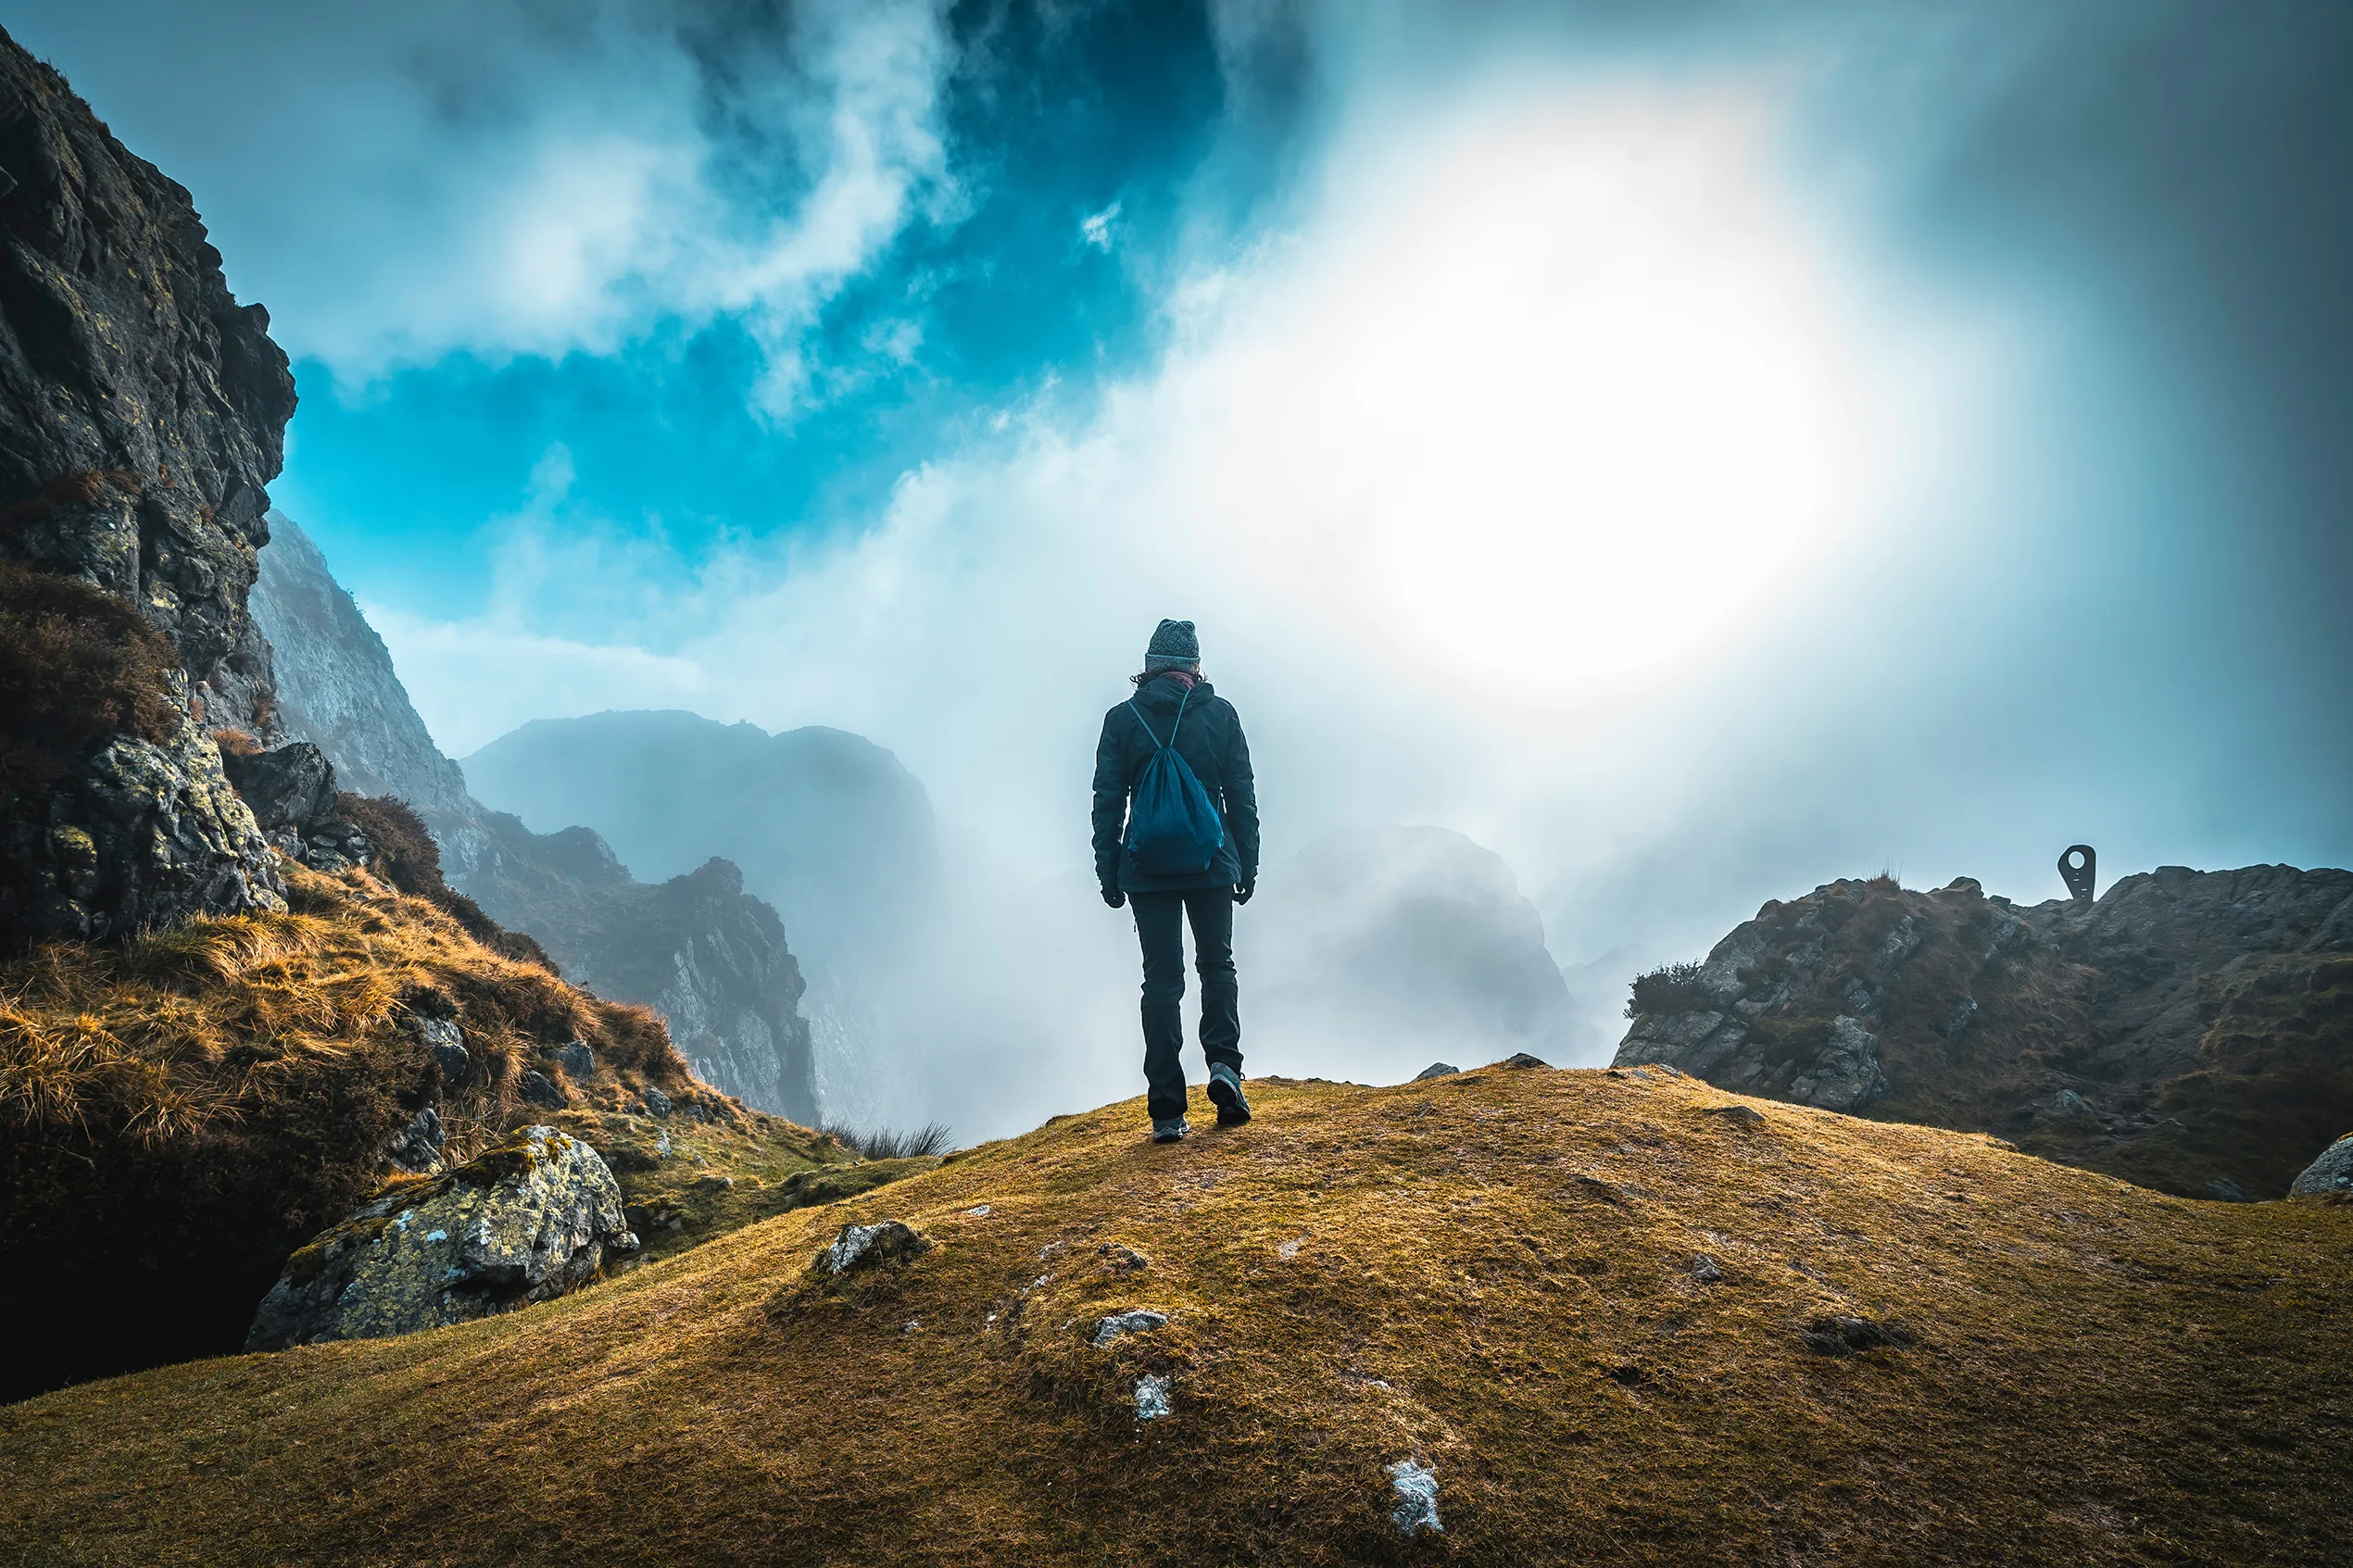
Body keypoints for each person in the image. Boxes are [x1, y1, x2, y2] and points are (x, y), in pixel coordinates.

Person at [1091, 619, 1260, 1143]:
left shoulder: (1122, 720)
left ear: (1148, 667)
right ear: (1193, 665)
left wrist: (1110, 868)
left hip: (1147, 869)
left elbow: (1107, 801)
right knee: (1217, 965)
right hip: (1211, 863)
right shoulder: (1220, 715)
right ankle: (1224, 1069)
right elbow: (1241, 796)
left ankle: (1167, 1109)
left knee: (1161, 982)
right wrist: (1246, 862)